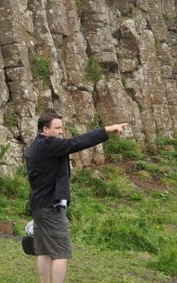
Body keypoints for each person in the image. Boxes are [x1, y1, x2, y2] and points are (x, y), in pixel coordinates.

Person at [24, 113, 127, 283]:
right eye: (57, 128)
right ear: (45, 129)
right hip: (51, 207)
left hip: (38, 205)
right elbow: (76, 143)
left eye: (61, 128)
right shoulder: (48, 144)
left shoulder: (35, 146)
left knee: (43, 251)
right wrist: (106, 130)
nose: (61, 132)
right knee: (61, 253)